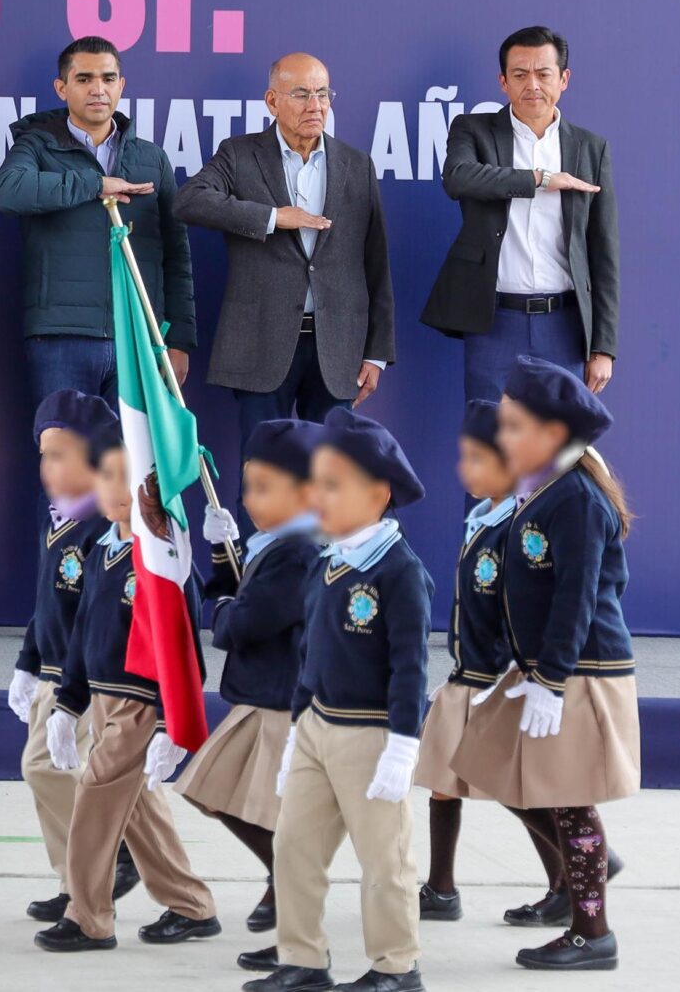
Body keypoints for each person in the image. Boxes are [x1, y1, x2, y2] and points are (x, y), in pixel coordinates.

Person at [451, 357, 639, 972]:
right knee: (494, 767)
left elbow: (577, 594)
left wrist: (551, 679)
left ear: (554, 435)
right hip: (542, 667)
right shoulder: (543, 493)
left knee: (569, 798)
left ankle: (592, 932)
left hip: (579, 670)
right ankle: (585, 872)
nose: (501, 439)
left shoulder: (576, 499)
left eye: (513, 426)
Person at [247, 404, 432, 992]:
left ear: (379, 493)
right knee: (295, 847)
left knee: (384, 863)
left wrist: (404, 747)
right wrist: (300, 725)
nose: (317, 497)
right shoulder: (327, 562)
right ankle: (302, 958)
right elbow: (314, 654)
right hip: (320, 727)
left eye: (333, 485)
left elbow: (410, 667)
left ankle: (395, 967)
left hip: (372, 734)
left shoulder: (398, 572)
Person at [413, 399, 599, 928]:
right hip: (466, 674)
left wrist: (499, 674)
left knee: (506, 783)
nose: (462, 470)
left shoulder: (515, 525)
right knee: (447, 780)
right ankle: (443, 888)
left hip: (490, 678)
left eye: (475, 458)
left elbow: (519, 609)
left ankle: (577, 867)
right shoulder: (484, 518)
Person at [32, 428, 219, 954]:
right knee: (137, 810)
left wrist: (168, 721)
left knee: (94, 800)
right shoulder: (101, 550)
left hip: (141, 705)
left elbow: (182, 647)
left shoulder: (162, 561)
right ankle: (191, 905)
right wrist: (68, 705)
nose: (110, 486)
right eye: (107, 474)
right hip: (104, 698)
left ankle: (89, 917)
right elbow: (81, 636)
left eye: (125, 477)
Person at [178, 53, 395, 458]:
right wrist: (275, 217)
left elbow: (375, 261)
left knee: (329, 480)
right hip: (261, 343)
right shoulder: (240, 154)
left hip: (338, 349)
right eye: (301, 94)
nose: (316, 106)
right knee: (263, 474)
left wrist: (377, 353)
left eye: (323, 94)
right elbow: (189, 201)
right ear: (272, 101)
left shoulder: (356, 163)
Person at [0, 34, 195, 406]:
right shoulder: (35, 146)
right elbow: (8, 192)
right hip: (61, 339)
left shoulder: (152, 158)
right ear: (62, 88)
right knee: (64, 459)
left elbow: (177, 257)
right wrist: (95, 184)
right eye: (84, 79)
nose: (97, 89)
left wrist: (179, 341)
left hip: (138, 340)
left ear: (121, 85)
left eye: (107, 78)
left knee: (132, 465)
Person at [421, 26, 617, 400]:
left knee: (563, 450)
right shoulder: (474, 130)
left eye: (543, 74)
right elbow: (458, 178)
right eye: (520, 74)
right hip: (495, 320)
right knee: (491, 446)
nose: (533, 85)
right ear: (503, 82)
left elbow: (604, 252)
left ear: (563, 79)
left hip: (565, 323)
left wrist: (603, 346)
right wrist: (541, 180)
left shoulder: (591, 149)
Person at [181, 419, 321, 940]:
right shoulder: (272, 545)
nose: (249, 499)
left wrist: (221, 605)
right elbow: (232, 594)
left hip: (280, 699)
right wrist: (223, 553)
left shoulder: (301, 550)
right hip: (256, 696)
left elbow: (243, 622)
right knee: (211, 791)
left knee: (261, 806)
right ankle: (285, 879)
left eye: (265, 488)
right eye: (247, 488)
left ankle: (291, 884)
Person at [8, 390, 142, 926]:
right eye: (44, 454)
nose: (49, 467)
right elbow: (47, 607)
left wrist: (73, 690)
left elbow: (97, 617)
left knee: (44, 768)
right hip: (50, 672)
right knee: (54, 774)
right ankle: (76, 880)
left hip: (81, 681)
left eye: (62, 454)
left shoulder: (100, 530)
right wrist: (25, 661)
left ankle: (109, 860)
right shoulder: (59, 521)